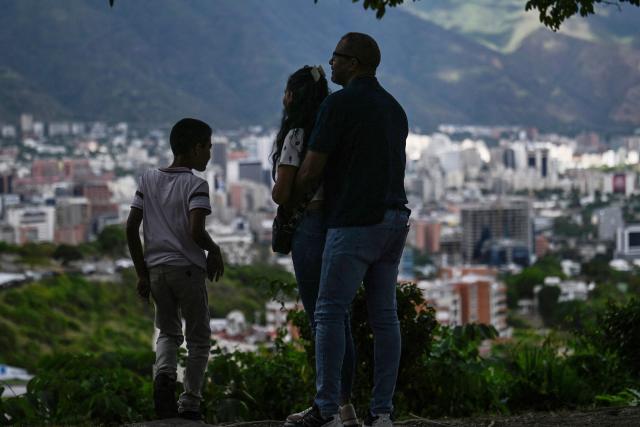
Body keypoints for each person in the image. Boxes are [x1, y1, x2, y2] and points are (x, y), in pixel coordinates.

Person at [290, 33, 411, 427]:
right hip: (395, 220)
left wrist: (292, 195)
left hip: (355, 221)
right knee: (385, 317)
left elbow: (309, 171)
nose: (331, 64)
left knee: (328, 312)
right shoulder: (395, 108)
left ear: (354, 62)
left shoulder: (338, 104)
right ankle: (382, 413)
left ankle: (326, 410)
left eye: (337, 58)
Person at [271, 66, 358, 427]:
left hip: (309, 227)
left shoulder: (295, 135)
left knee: (320, 317)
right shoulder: (332, 132)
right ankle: (346, 406)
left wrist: (279, 188)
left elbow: (283, 192)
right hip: (339, 224)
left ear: (293, 97)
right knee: (340, 317)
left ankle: (325, 408)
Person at [126, 118, 224, 421]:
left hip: (156, 272)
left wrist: (142, 273)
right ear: (195, 149)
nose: (209, 154)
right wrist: (214, 249)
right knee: (198, 339)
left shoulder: (147, 179)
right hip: (188, 271)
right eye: (207, 147)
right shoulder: (196, 184)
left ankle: (164, 376)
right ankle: (190, 403)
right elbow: (196, 231)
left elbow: (131, 228)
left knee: (167, 332)